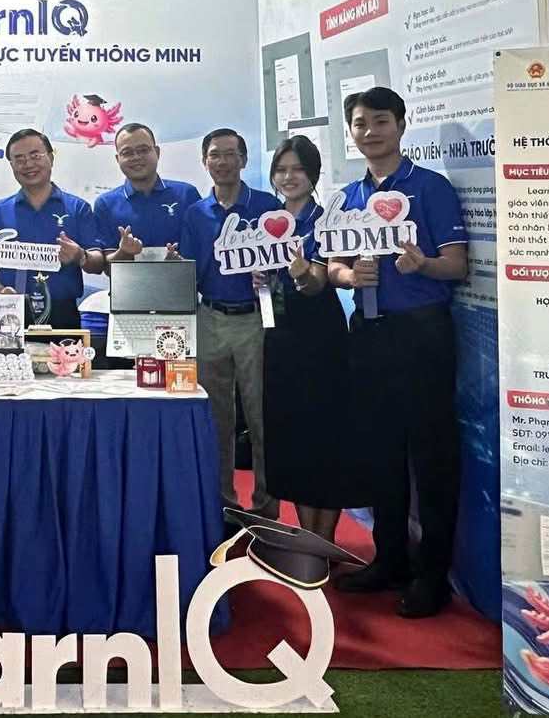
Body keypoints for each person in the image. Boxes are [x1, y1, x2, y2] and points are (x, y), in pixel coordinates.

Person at [326, 86, 469, 619]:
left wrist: (423, 265)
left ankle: (432, 577)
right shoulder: (348, 197)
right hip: (367, 331)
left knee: (430, 456)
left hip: (422, 332)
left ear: (402, 125)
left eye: (380, 121)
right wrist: (347, 276)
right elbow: (331, 264)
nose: (370, 132)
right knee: (379, 452)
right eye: (360, 124)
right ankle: (389, 560)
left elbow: (456, 264)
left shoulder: (430, 187)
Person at [177, 128, 282, 519]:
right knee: (214, 417)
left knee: (261, 415)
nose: (222, 162)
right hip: (209, 317)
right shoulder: (195, 213)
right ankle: (221, 504)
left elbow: (285, 262)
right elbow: (191, 272)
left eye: (229, 154)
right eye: (214, 155)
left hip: (256, 317)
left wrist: (270, 276)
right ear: (205, 162)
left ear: (244, 159)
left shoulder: (267, 206)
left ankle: (266, 509)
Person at [262, 136, 355, 545]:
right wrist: (260, 280)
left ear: (313, 174)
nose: (289, 177)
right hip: (279, 337)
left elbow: (317, 283)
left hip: (321, 338)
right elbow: (263, 285)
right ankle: (306, 539)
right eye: (282, 170)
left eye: (298, 169)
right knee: (293, 435)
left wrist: (301, 273)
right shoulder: (265, 223)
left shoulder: (326, 220)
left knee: (328, 435)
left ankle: (327, 540)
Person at [0, 129, 104, 329]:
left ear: (51, 158)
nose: (28, 164)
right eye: (19, 159)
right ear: (11, 165)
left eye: (35, 155)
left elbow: (98, 263)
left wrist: (80, 255)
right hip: (10, 312)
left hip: (63, 314)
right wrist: (1, 293)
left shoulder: (78, 208)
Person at [92, 123, 200, 264]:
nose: (136, 157)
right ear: (118, 159)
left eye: (143, 150)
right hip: (129, 280)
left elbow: (205, 248)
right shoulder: (106, 204)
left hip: (184, 278)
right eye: (127, 153)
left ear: (157, 152)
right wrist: (123, 252)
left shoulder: (187, 195)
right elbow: (106, 267)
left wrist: (181, 262)